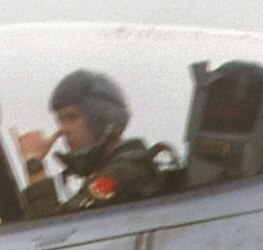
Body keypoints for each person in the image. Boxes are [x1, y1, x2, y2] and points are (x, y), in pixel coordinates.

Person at [16, 69, 164, 215]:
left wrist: (34, 165)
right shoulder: (121, 168)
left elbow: (57, 230)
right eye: (60, 120)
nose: (62, 130)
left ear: (101, 119)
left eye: (71, 117)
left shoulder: (119, 175)